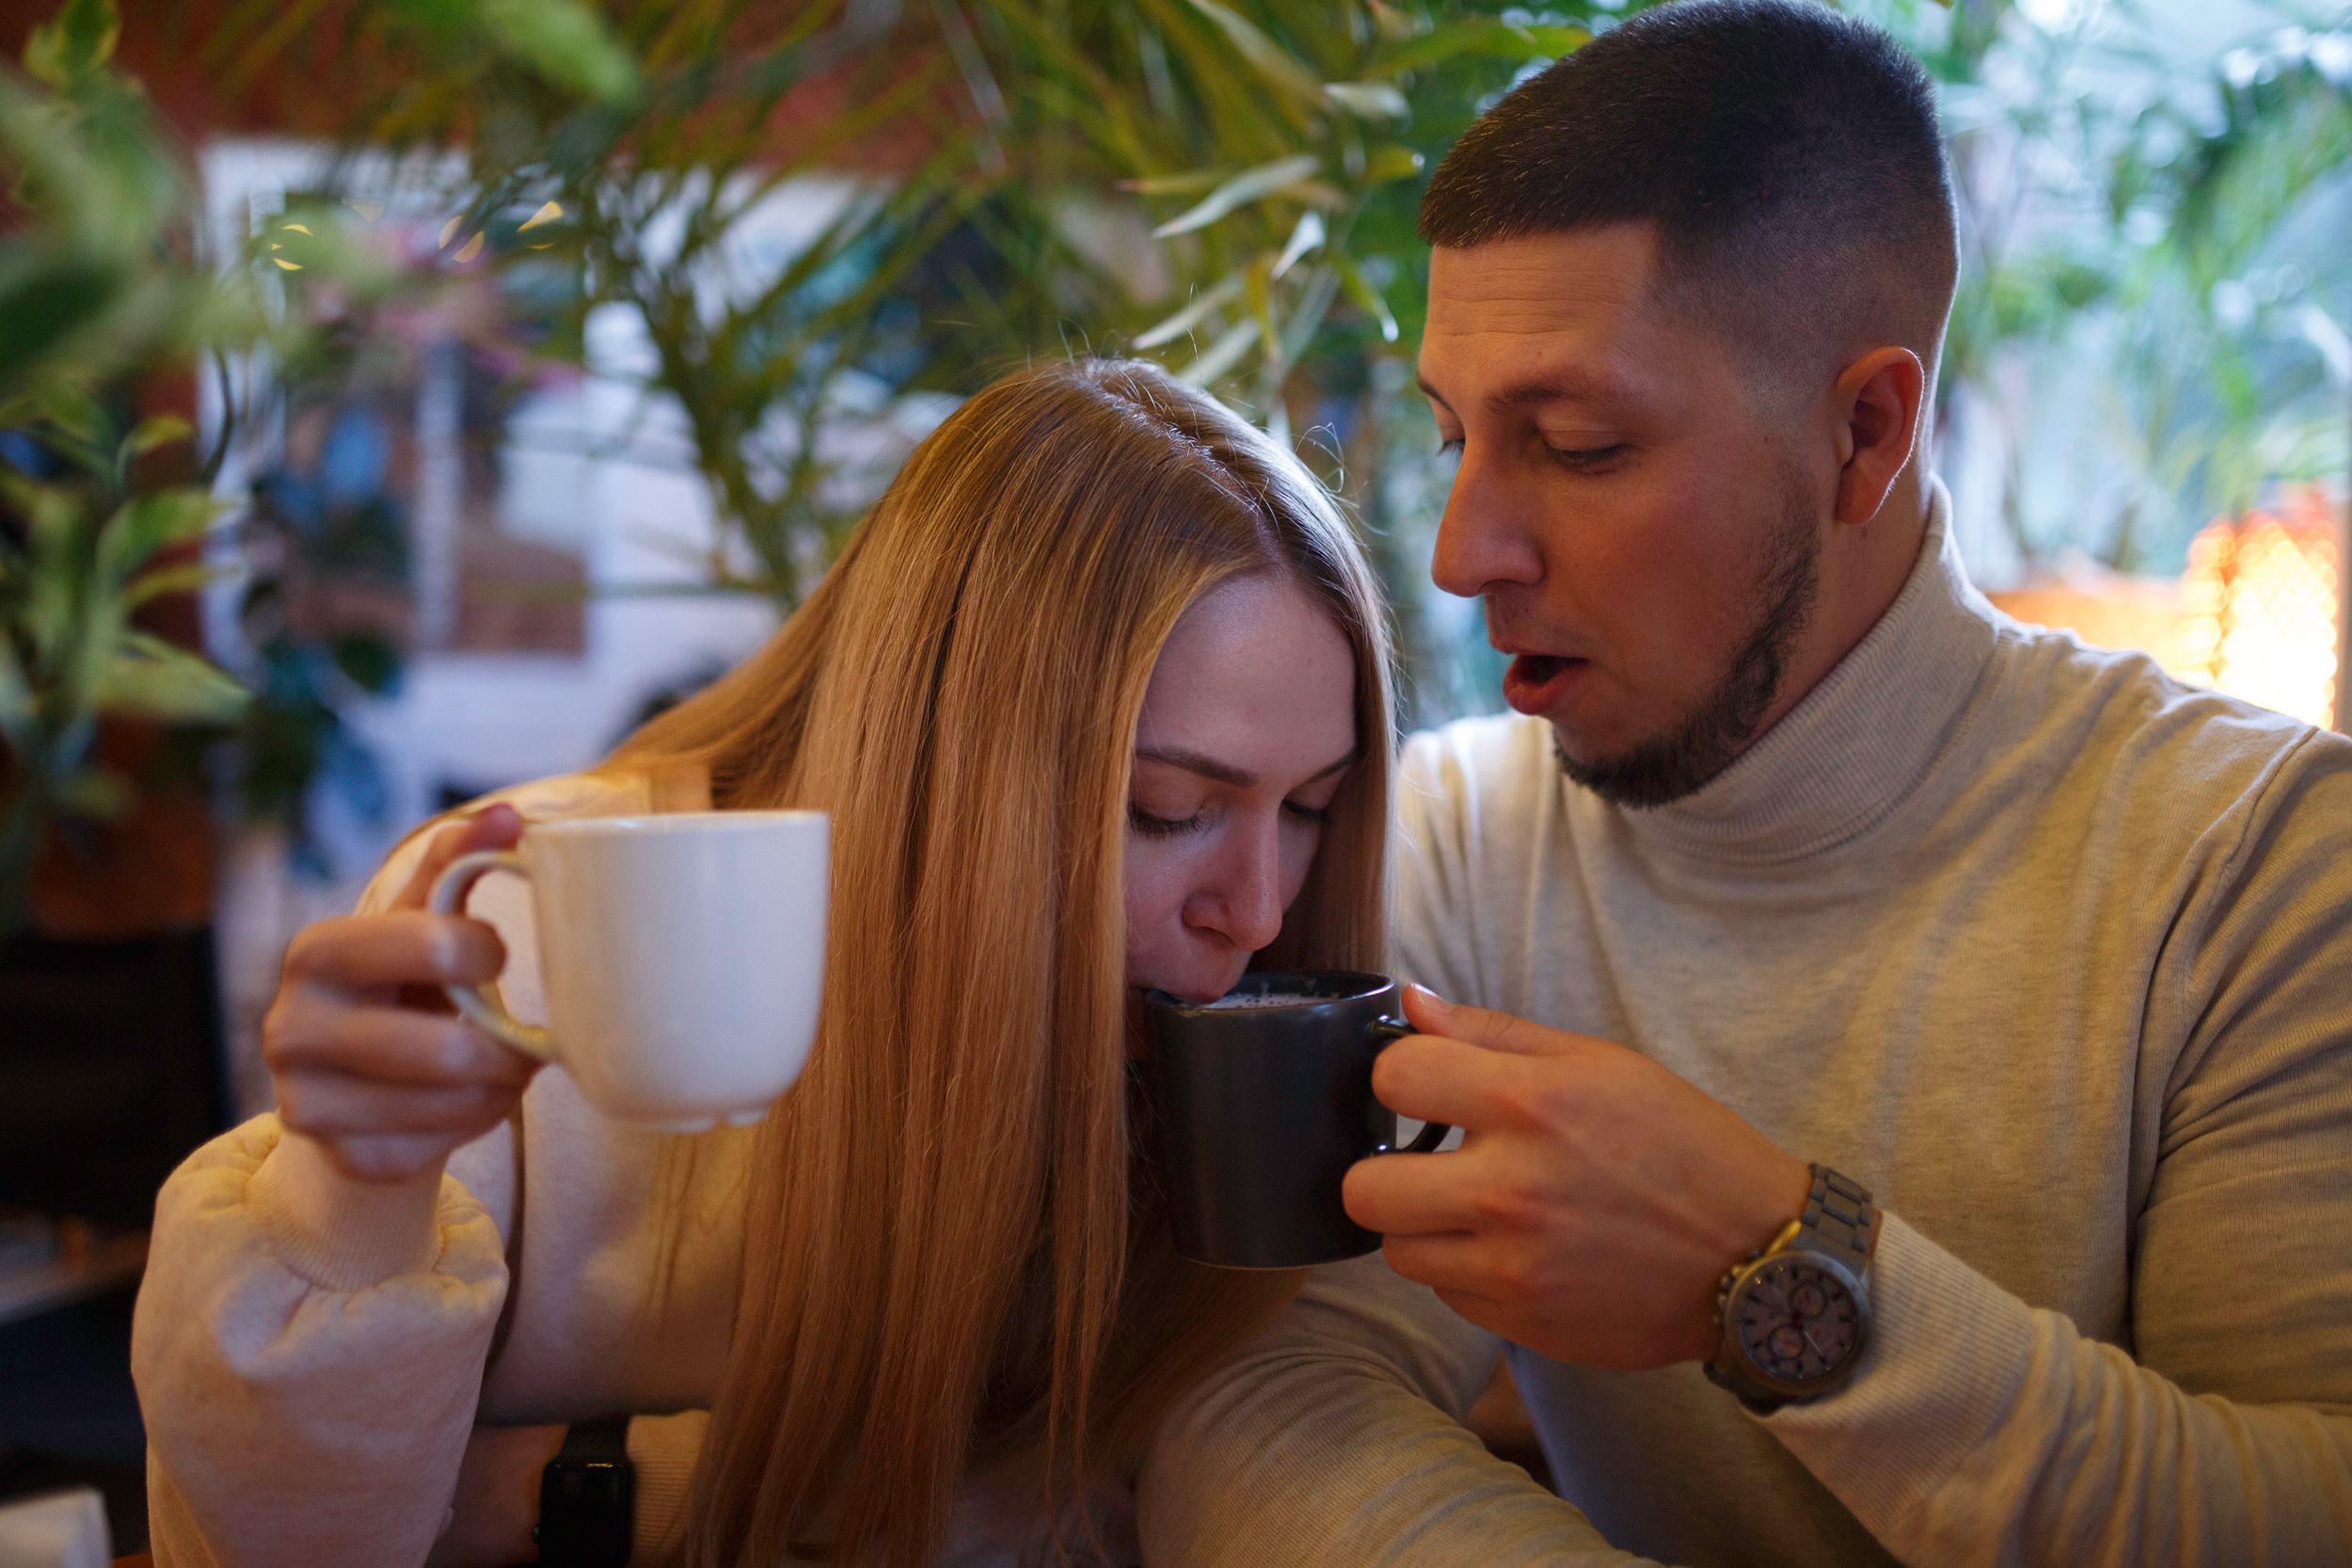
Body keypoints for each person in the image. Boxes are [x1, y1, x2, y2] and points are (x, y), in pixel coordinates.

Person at [1133, 4, 2352, 1565]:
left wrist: (1772, 1271)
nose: (1459, 554)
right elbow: (1266, 1395)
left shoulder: (2262, 867)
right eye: (1453, 440)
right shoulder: (1457, 842)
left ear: (1864, 434)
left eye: (1578, 445)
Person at [131, 358, 1399, 1568]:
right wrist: (351, 1208)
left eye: (1310, 806)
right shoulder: (542, 927)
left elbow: (1134, 1485)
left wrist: (587, 1486)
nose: (1259, 911)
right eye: (1171, 809)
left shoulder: (1224, 1047)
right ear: (950, 764)